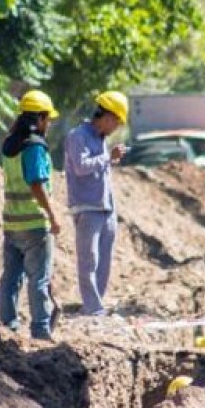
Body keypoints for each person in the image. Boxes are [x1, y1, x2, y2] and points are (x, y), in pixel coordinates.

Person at [0, 90, 63, 340]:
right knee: (39, 278)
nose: (49, 125)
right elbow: (36, 184)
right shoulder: (34, 146)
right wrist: (53, 216)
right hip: (35, 223)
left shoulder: (9, 144)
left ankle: (8, 326)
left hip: (12, 221)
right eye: (48, 119)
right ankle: (41, 329)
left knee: (11, 277)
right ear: (41, 118)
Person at [65, 90, 129, 316]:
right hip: (87, 206)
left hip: (105, 206)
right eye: (117, 123)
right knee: (89, 259)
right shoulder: (78, 136)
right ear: (108, 117)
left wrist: (109, 160)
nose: (116, 128)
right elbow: (81, 167)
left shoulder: (101, 140)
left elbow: (99, 168)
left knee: (104, 259)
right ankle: (92, 308)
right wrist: (107, 158)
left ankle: (96, 304)